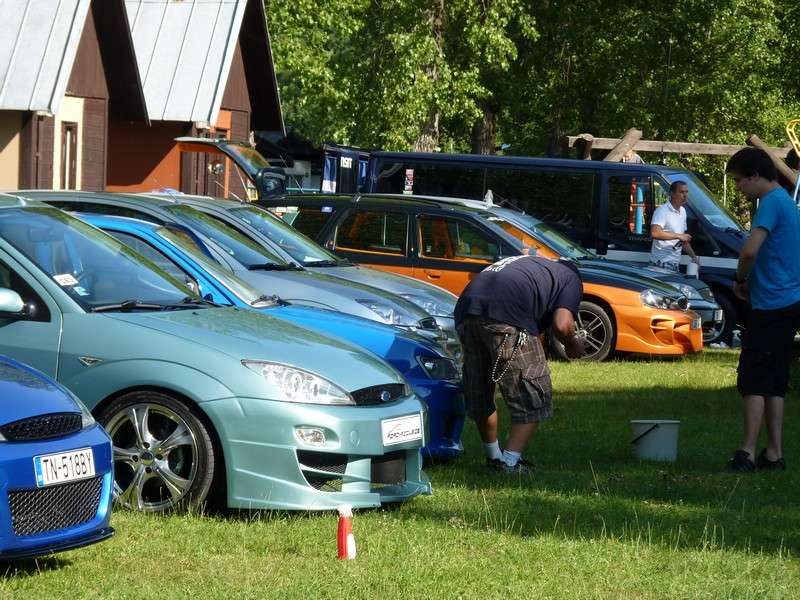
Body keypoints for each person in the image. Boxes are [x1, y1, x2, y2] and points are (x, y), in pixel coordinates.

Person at [454, 256, 584, 473]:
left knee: (480, 389)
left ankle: (494, 457)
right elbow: (562, 324)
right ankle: (510, 463)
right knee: (533, 393)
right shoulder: (571, 278)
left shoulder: (536, 265)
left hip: (467, 310)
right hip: (507, 313)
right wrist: (572, 344)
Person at [725, 147, 800, 472]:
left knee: (754, 379)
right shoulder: (788, 202)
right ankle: (774, 452)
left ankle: (747, 452)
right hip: (790, 302)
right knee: (774, 380)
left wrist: (740, 279)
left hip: (770, 304)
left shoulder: (769, 203)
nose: (738, 188)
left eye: (739, 181)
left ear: (755, 175)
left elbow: (749, 252)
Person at [649, 180, 700, 271]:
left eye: (686, 192)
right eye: (681, 192)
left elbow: (682, 241)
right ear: (672, 194)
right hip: (661, 264)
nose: (685, 195)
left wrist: (693, 257)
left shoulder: (683, 211)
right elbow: (654, 233)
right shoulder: (662, 211)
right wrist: (679, 236)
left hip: (675, 264)